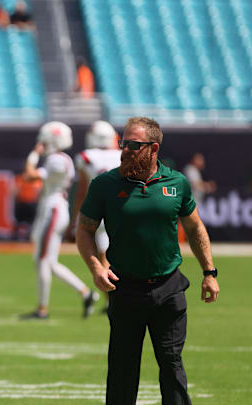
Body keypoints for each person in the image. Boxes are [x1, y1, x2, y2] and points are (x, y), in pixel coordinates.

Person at [76, 116, 220, 405]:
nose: (125, 149)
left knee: (171, 363)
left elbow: (194, 227)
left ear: (153, 148)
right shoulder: (105, 184)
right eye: (123, 142)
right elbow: (85, 229)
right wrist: (95, 267)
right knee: (122, 370)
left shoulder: (177, 182)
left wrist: (209, 272)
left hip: (169, 287)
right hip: (124, 288)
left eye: (133, 144)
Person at [22, 121, 99, 319]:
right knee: (47, 261)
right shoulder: (62, 159)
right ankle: (85, 293)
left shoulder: (57, 160)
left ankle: (42, 309)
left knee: (42, 260)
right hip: (52, 207)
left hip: (52, 209)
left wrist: (34, 153)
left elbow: (29, 175)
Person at [68, 121, 121, 311]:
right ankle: (115, 298)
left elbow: (81, 192)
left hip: (98, 210)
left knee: (103, 255)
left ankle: (111, 299)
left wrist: (75, 219)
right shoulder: (123, 155)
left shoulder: (86, 157)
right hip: (123, 209)